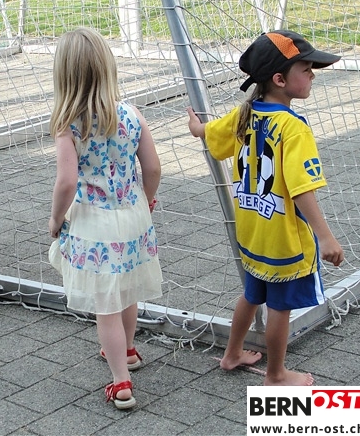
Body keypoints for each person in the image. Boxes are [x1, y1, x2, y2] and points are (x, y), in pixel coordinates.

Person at [187, 30, 344, 386]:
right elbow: (302, 189)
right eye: (306, 69)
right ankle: (276, 375)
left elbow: (210, 132)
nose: (313, 75)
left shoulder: (245, 113)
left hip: (253, 232)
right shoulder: (293, 127)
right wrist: (325, 237)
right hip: (283, 240)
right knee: (280, 307)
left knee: (251, 294)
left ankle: (232, 354)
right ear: (279, 79)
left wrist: (196, 126)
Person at [48, 27, 163, 409]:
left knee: (105, 305)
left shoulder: (69, 126)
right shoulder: (131, 114)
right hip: (132, 216)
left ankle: (120, 381)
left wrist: (55, 220)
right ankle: (128, 350)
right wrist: (146, 200)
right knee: (126, 288)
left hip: (94, 224)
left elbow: (66, 182)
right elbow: (153, 167)